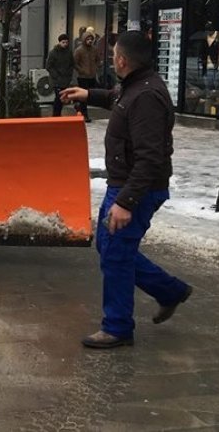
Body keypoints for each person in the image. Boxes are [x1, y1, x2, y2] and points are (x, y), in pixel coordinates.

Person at [61, 31, 192, 349]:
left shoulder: (146, 96)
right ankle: (170, 290)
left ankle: (117, 327)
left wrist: (126, 202)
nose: (111, 58)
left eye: (113, 54)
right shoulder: (136, 85)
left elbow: (150, 157)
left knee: (117, 255)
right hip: (124, 185)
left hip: (135, 189)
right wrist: (87, 94)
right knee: (110, 249)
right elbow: (117, 98)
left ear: (122, 60)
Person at [73, 30, 101, 122]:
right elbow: (75, 63)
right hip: (83, 77)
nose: (90, 41)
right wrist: (81, 71)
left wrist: (96, 67)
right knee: (83, 97)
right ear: (84, 40)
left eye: (91, 39)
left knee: (90, 95)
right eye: (88, 39)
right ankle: (84, 114)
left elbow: (98, 60)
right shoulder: (79, 50)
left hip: (92, 75)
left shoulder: (94, 49)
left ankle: (79, 106)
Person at [45, 33, 75, 116]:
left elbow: (72, 64)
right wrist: (56, 76)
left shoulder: (69, 52)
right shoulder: (53, 53)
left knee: (62, 98)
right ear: (59, 42)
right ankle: (56, 114)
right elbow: (48, 66)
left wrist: (69, 75)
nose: (65, 44)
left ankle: (57, 114)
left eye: (66, 42)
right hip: (56, 80)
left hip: (66, 79)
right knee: (59, 98)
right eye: (63, 42)